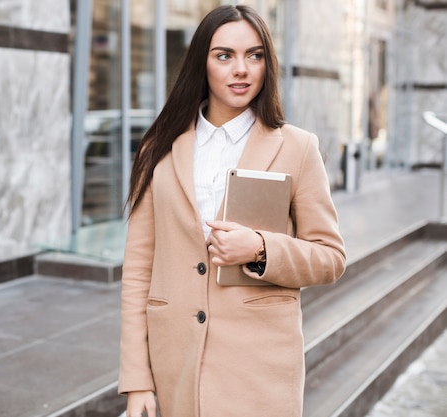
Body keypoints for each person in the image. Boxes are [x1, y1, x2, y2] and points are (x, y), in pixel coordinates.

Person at [118, 4, 346, 417]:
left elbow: (331, 258)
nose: (241, 69)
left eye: (254, 55)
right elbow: (137, 270)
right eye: (224, 55)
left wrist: (260, 249)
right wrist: (137, 380)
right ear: (201, 64)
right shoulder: (160, 148)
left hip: (260, 365)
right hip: (176, 362)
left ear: (267, 64)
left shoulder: (297, 147)